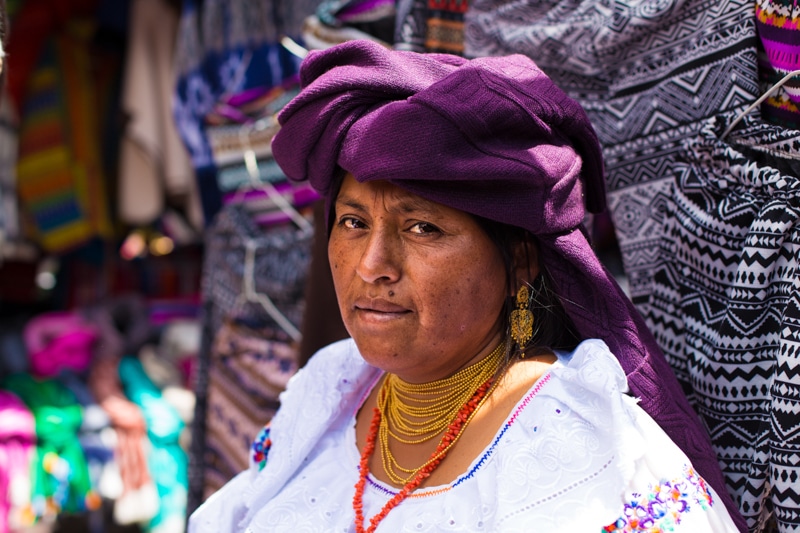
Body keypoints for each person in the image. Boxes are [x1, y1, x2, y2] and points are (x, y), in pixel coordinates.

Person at [188, 39, 746, 532]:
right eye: (353, 222)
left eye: (422, 228)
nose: (371, 265)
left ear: (521, 260)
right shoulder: (331, 390)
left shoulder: (580, 451)